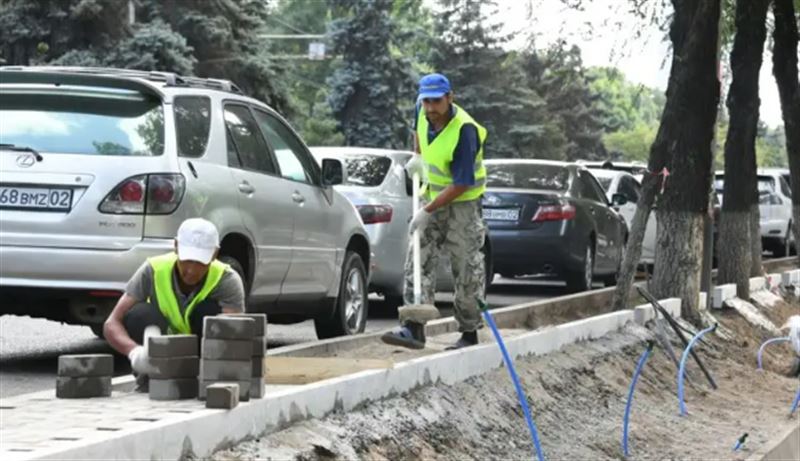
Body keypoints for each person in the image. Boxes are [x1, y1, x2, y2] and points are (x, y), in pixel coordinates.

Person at [382, 73, 488, 350]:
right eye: (426, 101)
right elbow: (418, 131)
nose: (430, 108)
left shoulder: (465, 130)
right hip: (432, 198)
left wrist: (427, 210)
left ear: (450, 97)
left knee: (465, 266)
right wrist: (417, 155)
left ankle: (469, 332)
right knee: (417, 258)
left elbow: (463, 182)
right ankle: (413, 328)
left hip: (463, 203)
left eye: (436, 102)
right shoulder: (422, 109)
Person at [103, 218, 245, 381]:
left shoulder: (227, 280)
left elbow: (236, 337)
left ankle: (199, 377)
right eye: (187, 260)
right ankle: (151, 377)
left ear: (214, 254)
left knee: (213, 316)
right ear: (176, 247)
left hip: (202, 357)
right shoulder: (154, 269)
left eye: (200, 262)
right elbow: (111, 323)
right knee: (139, 314)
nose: (191, 270)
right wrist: (134, 352)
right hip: (160, 355)